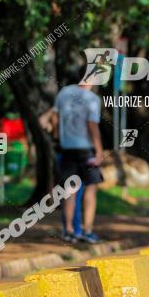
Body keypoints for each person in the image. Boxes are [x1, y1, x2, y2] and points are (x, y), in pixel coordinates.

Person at [45, 65, 106, 243]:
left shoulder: (64, 93)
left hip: (67, 148)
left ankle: (69, 231)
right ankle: (87, 231)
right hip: (86, 149)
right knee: (91, 188)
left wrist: (57, 134)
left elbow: (55, 117)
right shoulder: (92, 99)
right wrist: (100, 150)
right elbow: (92, 126)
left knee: (69, 191)